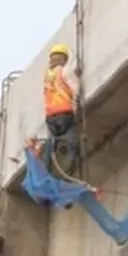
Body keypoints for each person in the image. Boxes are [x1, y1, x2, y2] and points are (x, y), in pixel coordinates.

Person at [43, 43, 80, 175]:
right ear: (64, 58)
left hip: (50, 117)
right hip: (65, 113)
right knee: (72, 143)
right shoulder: (64, 71)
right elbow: (76, 90)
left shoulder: (47, 77)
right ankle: (68, 174)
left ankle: (46, 173)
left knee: (51, 145)